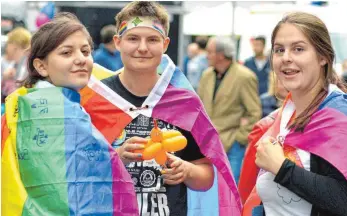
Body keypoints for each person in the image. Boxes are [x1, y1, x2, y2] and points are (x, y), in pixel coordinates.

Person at [80, 2, 241, 215]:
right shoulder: (94, 101)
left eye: (152, 39)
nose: (143, 47)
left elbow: (206, 177)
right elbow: (76, 173)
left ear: (165, 44)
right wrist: (116, 156)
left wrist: (188, 170)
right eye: (133, 38)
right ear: (118, 42)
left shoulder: (184, 103)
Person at [1, 12, 138, 215]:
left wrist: (115, 156)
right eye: (66, 53)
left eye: (85, 51)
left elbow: (64, 167)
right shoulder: (56, 110)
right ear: (41, 65)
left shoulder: (26, 103)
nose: (81, 59)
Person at [243, 12, 347, 216]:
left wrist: (281, 168)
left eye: (298, 49)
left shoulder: (338, 116)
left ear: (323, 57)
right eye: (279, 50)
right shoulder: (286, 114)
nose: (286, 58)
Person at [198, 36, 261, 184]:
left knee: (230, 189)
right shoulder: (206, 75)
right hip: (207, 143)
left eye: (210, 52)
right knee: (209, 189)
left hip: (232, 145)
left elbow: (254, 112)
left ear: (221, 55)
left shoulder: (245, 77)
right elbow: (198, 106)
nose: (206, 55)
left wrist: (239, 138)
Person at [1, 27, 31, 103]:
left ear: (14, 46)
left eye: (8, 44)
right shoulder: (16, 63)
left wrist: (7, 80)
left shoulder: (28, 64)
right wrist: (5, 78)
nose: (6, 48)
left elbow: (17, 93)